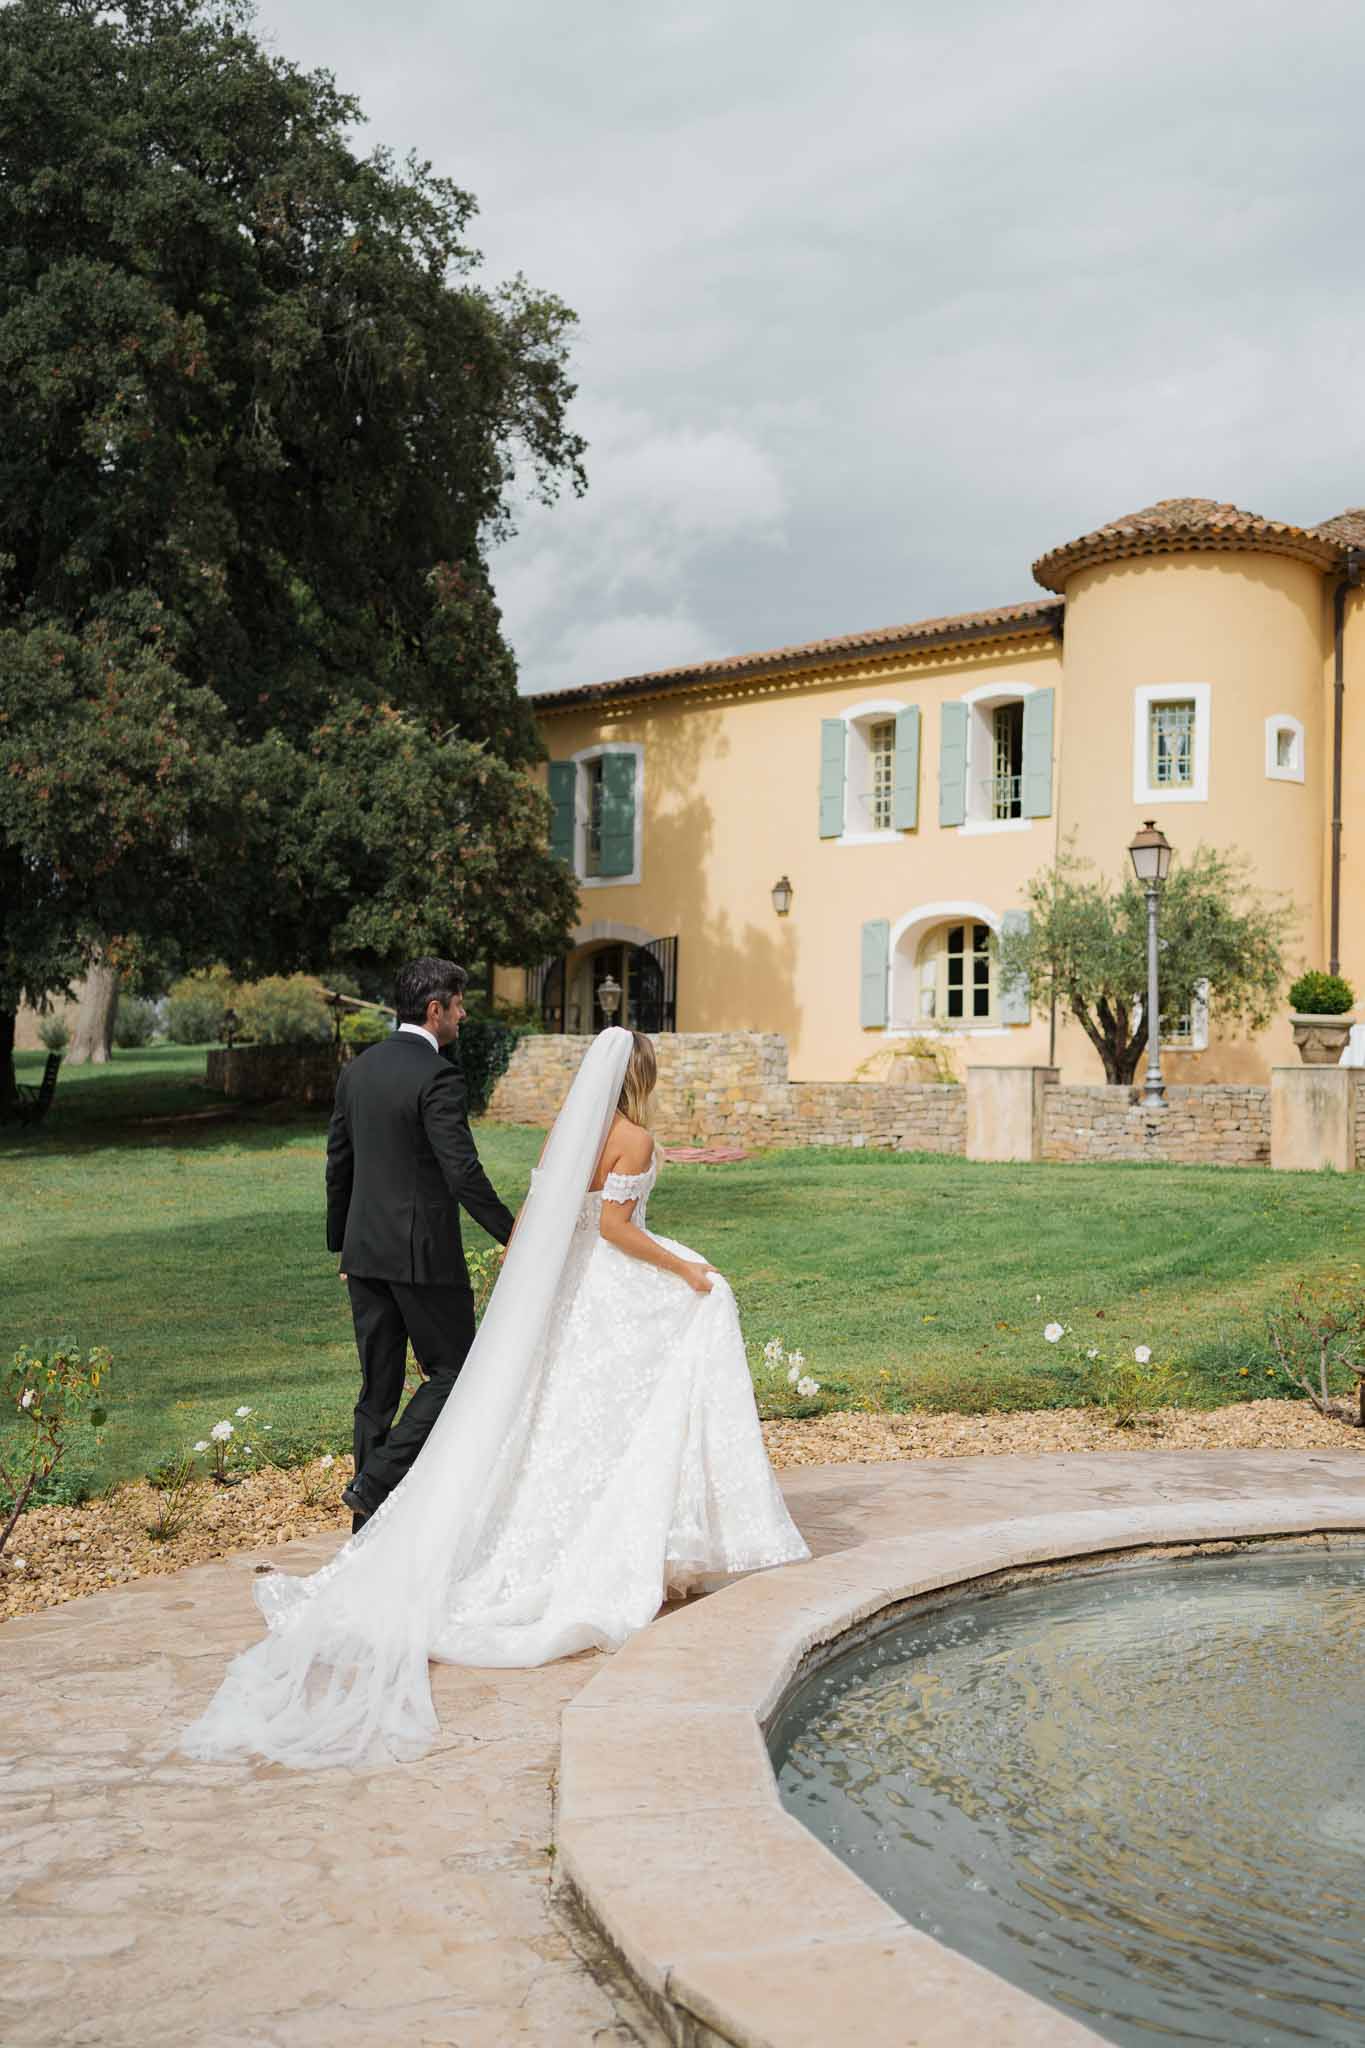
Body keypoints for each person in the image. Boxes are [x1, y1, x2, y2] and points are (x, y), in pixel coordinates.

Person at [182, 1026, 808, 1769]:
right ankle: (635, 1544)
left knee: (554, 1422)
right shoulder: (633, 1139)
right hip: (606, 1289)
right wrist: (683, 1269)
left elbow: (549, 1217)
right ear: (641, 1076)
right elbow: (613, 1229)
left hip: (560, 1291)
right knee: (686, 1333)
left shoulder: (566, 1134)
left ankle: (629, 1540)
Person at [325, 958, 515, 1532]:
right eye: (458, 1005)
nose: (463, 1015)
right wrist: (515, 1234)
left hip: (364, 1255)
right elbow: (461, 1172)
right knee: (457, 1371)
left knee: (376, 1390)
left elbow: (339, 1163)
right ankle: (375, 1481)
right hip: (422, 1257)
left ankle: (368, 1526)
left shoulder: (358, 1071)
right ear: (435, 1009)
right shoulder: (439, 1076)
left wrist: (343, 1247)